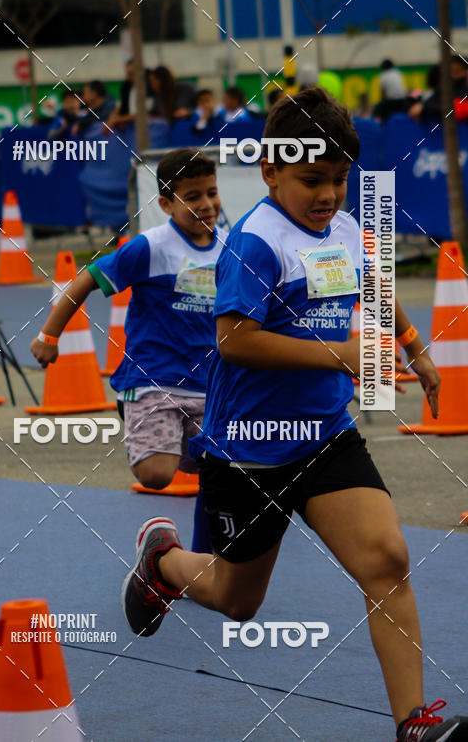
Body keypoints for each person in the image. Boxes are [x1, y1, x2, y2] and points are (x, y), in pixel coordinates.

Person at [121, 87, 468, 741]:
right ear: (271, 171)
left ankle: (414, 724)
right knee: (235, 599)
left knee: (388, 561)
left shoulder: (343, 229)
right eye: (313, 179)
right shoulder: (256, 242)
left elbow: (373, 284)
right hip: (249, 447)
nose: (329, 194)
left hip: (325, 438)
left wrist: (416, 350)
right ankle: (163, 560)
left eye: (339, 179)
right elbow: (233, 339)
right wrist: (339, 353)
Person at [30, 147, 227, 496]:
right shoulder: (150, 247)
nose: (206, 204)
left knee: (226, 472)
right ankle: (140, 413)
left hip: (209, 385)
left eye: (211, 193)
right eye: (192, 197)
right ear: (166, 204)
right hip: (154, 378)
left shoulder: (230, 248)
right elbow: (88, 277)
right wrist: (49, 334)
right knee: (155, 474)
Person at [409, 54, 468, 122]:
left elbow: (454, 110)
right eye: (450, 71)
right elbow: (429, 103)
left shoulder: (462, 86)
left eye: (457, 71)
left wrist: (424, 109)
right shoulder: (445, 86)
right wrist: (422, 108)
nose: (453, 75)